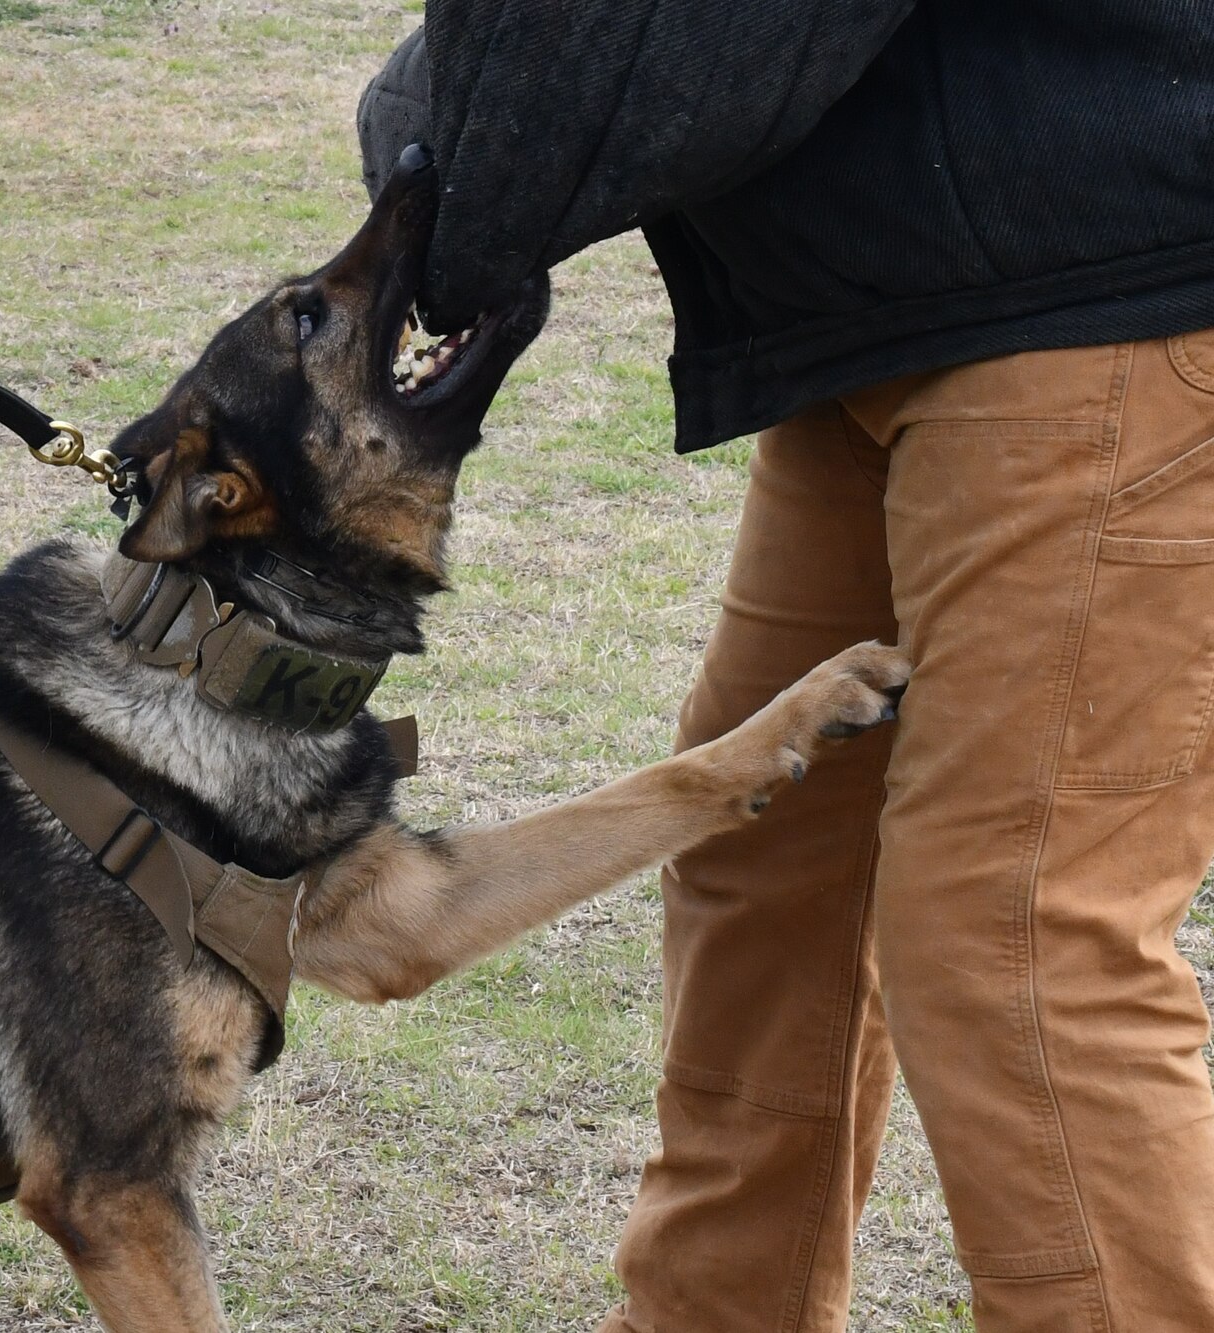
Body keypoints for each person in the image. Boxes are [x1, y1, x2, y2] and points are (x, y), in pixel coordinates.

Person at [357, 3, 1214, 1330]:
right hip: (881, 310)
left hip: (1100, 296)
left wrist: (434, 198)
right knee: (766, 853)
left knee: (1016, 930)